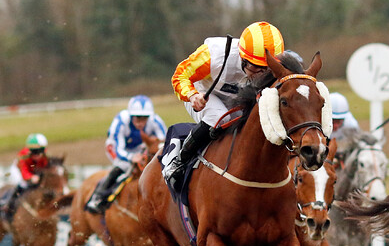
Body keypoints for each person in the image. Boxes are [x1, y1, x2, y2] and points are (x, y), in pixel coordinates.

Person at [163, 21, 284, 184]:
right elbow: (180, 75)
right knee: (219, 117)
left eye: (267, 69)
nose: (261, 75)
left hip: (236, 99)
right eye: (256, 68)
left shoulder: (273, 65)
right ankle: (180, 160)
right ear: (242, 58)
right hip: (204, 94)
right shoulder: (214, 55)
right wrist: (192, 95)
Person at [85, 95, 167, 213]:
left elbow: (163, 143)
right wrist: (131, 157)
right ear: (130, 116)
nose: (140, 122)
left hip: (140, 148)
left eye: (144, 118)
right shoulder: (121, 121)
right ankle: (97, 197)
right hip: (116, 148)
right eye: (137, 118)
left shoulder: (156, 121)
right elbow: (118, 148)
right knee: (123, 167)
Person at [1, 133, 49, 222]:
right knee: (22, 184)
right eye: (34, 151)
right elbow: (24, 173)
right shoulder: (24, 156)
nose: (37, 155)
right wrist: (31, 177)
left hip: (32, 171)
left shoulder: (44, 157)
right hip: (18, 170)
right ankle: (8, 206)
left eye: (40, 151)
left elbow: (45, 168)